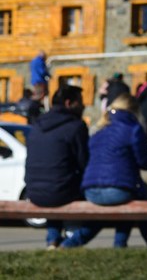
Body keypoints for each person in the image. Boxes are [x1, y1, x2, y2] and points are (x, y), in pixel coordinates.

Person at [63, 94, 147, 248]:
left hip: (91, 190)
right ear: (134, 111)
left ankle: (69, 244)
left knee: (107, 213)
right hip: (118, 190)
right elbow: (144, 163)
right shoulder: (133, 129)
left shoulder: (99, 131)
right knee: (138, 198)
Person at [24, 85, 96, 249]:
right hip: (61, 191)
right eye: (80, 102)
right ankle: (69, 244)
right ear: (69, 103)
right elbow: (85, 163)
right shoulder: (76, 126)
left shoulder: (37, 124)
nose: (84, 106)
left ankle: (53, 240)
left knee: (54, 187)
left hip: (33, 191)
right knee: (95, 205)